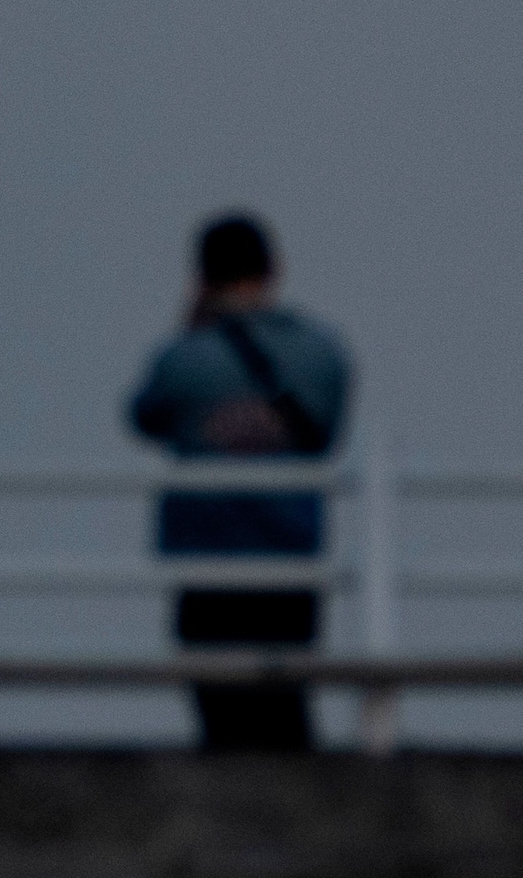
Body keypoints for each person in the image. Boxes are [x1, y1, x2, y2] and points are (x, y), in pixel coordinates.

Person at [129, 213, 351, 750]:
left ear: (201, 276)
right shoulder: (323, 354)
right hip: (291, 562)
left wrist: (191, 328)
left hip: (210, 565)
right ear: (273, 269)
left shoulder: (183, 360)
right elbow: (328, 432)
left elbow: (144, 415)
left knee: (221, 716)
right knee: (286, 707)